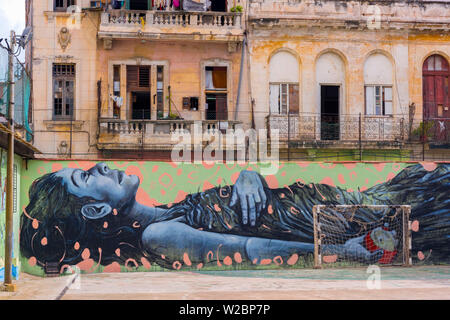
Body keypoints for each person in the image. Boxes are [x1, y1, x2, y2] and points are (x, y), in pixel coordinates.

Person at [20, 162, 450, 272]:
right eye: (86, 175)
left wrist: (248, 175)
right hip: (359, 222)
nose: (98, 167)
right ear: (96, 210)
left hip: (366, 203)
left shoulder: (168, 213)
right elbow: (252, 248)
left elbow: (237, 214)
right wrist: (342, 251)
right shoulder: (160, 237)